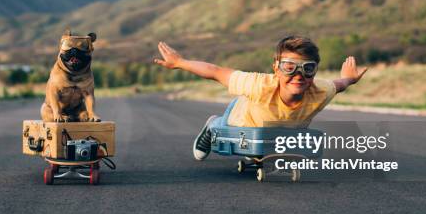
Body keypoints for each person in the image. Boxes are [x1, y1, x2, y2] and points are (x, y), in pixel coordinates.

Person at [154, 36, 368, 160]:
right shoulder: (258, 85)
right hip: (242, 118)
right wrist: (180, 62)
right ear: (276, 68)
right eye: (289, 67)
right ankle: (212, 126)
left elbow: (340, 84)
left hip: (274, 129)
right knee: (231, 129)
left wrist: (349, 79)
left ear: (315, 71)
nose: (298, 75)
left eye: (307, 68)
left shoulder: (322, 90)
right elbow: (216, 71)